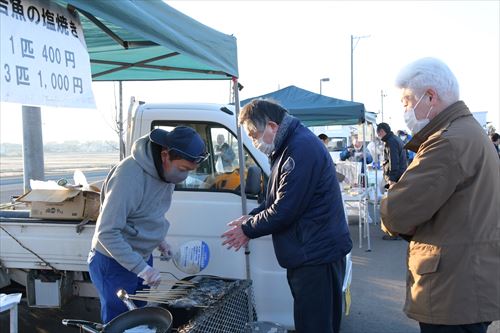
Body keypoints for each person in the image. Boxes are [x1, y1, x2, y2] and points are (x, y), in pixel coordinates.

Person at [380, 57, 500, 333]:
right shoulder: (469, 133)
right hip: (470, 282)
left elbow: (395, 212)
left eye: (407, 102)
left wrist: (393, 209)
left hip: (453, 290)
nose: (406, 110)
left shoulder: (446, 142)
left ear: (430, 97)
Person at [222, 99, 352, 333]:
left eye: (254, 135)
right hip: (313, 250)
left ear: (272, 126)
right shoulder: (289, 146)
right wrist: (251, 217)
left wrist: (248, 229)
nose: (253, 141)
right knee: (314, 321)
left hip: (316, 254)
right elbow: (276, 199)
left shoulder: (299, 149)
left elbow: (285, 209)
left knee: (315, 325)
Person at [88, 126, 208, 323]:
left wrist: (160, 240)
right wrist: (141, 268)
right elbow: (107, 232)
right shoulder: (129, 176)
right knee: (121, 322)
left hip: (141, 259)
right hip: (114, 262)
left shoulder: (166, 174)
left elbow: (150, 213)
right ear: (165, 155)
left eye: (190, 171)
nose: (184, 176)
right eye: (183, 169)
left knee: (139, 319)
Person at [376, 123, 407, 188]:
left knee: (395, 197)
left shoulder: (391, 141)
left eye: (378, 134)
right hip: (401, 174)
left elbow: (393, 160)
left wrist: (392, 178)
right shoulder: (396, 139)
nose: (379, 136)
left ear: (382, 131)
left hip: (396, 178)